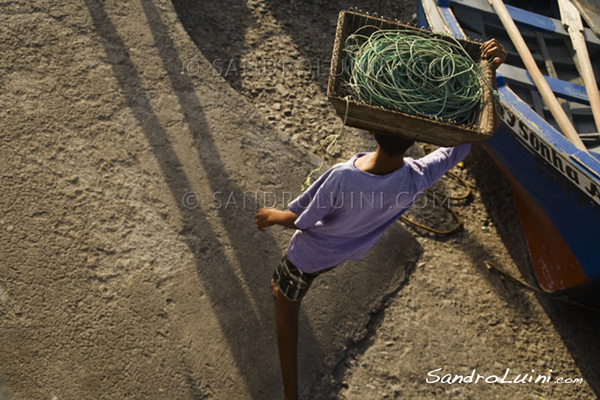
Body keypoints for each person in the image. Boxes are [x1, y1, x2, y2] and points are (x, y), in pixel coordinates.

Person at [254, 39, 507, 400]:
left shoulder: (343, 176)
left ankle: (291, 392)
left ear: (371, 129)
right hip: (347, 252)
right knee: (295, 285)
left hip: (308, 257)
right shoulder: (417, 176)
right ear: (419, 138)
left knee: (286, 303)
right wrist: (490, 74)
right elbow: (479, 136)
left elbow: (300, 220)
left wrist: (272, 215)